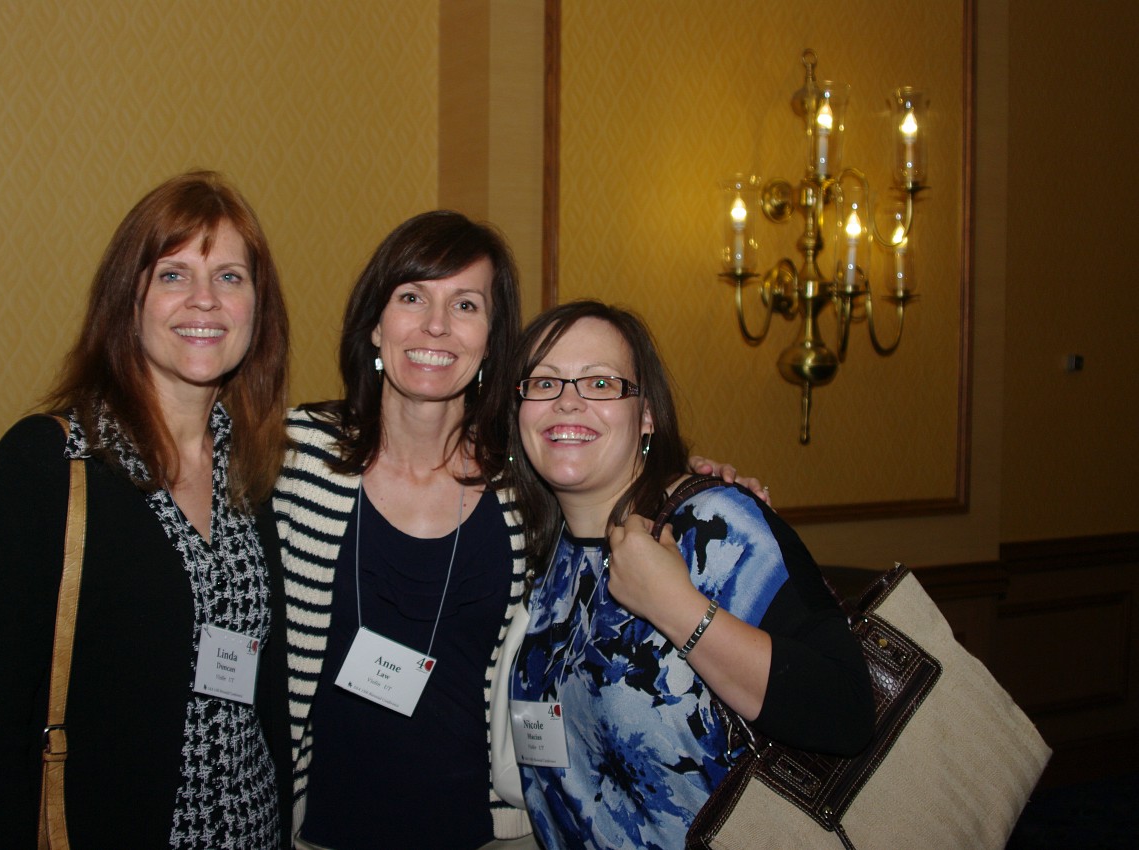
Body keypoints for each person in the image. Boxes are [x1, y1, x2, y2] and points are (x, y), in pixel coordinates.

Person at [271, 213, 762, 850]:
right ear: (375, 322)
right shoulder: (294, 455)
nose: (436, 325)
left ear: (491, 340)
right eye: (412, 296)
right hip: (320, 831)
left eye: (465, 304)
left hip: (489, 832)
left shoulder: (526, 482)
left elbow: (616, 481)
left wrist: (697, 483)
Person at [0, 171, 292, 848]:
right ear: (125, 300)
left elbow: (264, 698)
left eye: (229, 277)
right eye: (172, 275)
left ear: (258, 307)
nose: (204, 300)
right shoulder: (44, 469)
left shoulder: (255, 477)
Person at [505, 300, 875, 850]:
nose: (568, 403)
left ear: (646, 415)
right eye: (544, 383)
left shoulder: (714, 524)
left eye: (602, 383)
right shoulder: (552, 550)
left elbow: (846, 711)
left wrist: (676, 606)